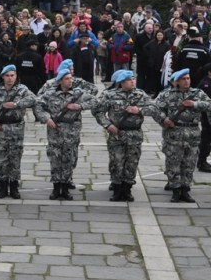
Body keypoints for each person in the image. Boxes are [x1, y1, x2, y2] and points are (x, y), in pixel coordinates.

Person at [91, 70, 158, 201]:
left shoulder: (140, 94)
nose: (133, 81)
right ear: (121, 83)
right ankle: (117, 189)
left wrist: (139, 110)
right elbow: (97, 110)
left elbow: (154, 109)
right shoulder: (109, 95)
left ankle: (127, 189)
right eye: (129, 80)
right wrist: (108, 125)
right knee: (117, 161)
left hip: (134, 133)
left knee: (132, 162)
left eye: (133, 79)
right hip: (117, 133)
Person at [34, 69, 96, 200]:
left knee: (69, 158)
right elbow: (38, 106)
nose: (71, 80)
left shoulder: (78, 93)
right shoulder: (50, 94)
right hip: (55, 131)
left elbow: (95, 101)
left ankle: (66, 187)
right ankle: (56, 188)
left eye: (71, 78)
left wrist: (80, 107)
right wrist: (46, 118)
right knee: (55, 158)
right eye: (67, 78)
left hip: (72, 131)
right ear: (61, 80)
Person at [154, 68, 211, 202]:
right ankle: (175, 190)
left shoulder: (198, 93)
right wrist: (164, 120)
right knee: (173, 162)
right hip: (174, 133)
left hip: (192, 133)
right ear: (177, 82)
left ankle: (185, 190)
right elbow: (156, 109)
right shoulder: (167, 94)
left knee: (189, 163)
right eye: (183, 79)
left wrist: (195, 104)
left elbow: (209, 105)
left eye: (188, 78)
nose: (186, 81)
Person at [0, 65, 36, 199]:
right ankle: (3, 183)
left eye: (12, 75)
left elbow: (34, 99)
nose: (10, 78)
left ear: (16, 76)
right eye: (7, 76)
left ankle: (14, 184)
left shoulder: (22, 89)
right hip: (1, 128)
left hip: (16, 128)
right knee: (2, 157)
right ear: (3, 77)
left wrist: (17, 105)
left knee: (15, 156)